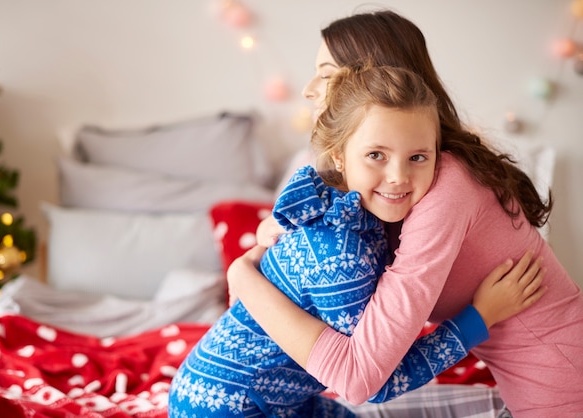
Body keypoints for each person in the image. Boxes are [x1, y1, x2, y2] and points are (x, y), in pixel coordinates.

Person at [227, 10, 583, 418]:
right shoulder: (395, 185)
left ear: (376, 82)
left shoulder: (447, 187)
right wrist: (279, 223)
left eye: (326, 75)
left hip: (564, 387)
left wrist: (242, 276)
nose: (309, 90)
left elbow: (357, 378)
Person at [167, 65, 543, 417]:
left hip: (284, 396)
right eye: (376, 155)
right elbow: (370, 382)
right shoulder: (342, 253)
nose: (397, 176)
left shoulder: (356, 210)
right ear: (340, 158)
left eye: (417, 157)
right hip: (223, 407)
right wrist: (479, 318)